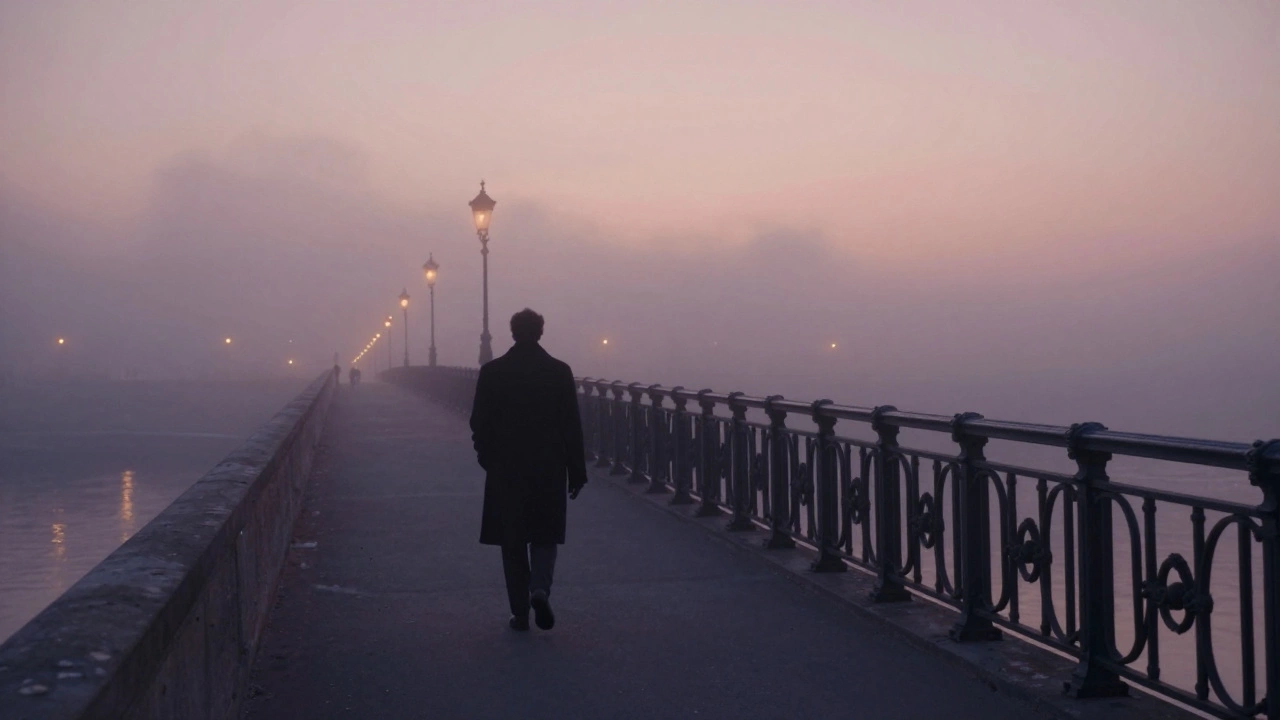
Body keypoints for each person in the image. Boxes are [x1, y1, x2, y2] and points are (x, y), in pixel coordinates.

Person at [469, 308, 588, 631]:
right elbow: (571, 426)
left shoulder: (492, 372)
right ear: (540, 333)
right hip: (549, 466)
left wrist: (487, 457)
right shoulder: (559, 371)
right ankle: (540, 589)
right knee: (545, 534)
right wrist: (577, 471)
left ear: (512, 333)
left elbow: (478, 422)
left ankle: (520, 612)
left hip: (506, 467)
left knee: (513, 540)